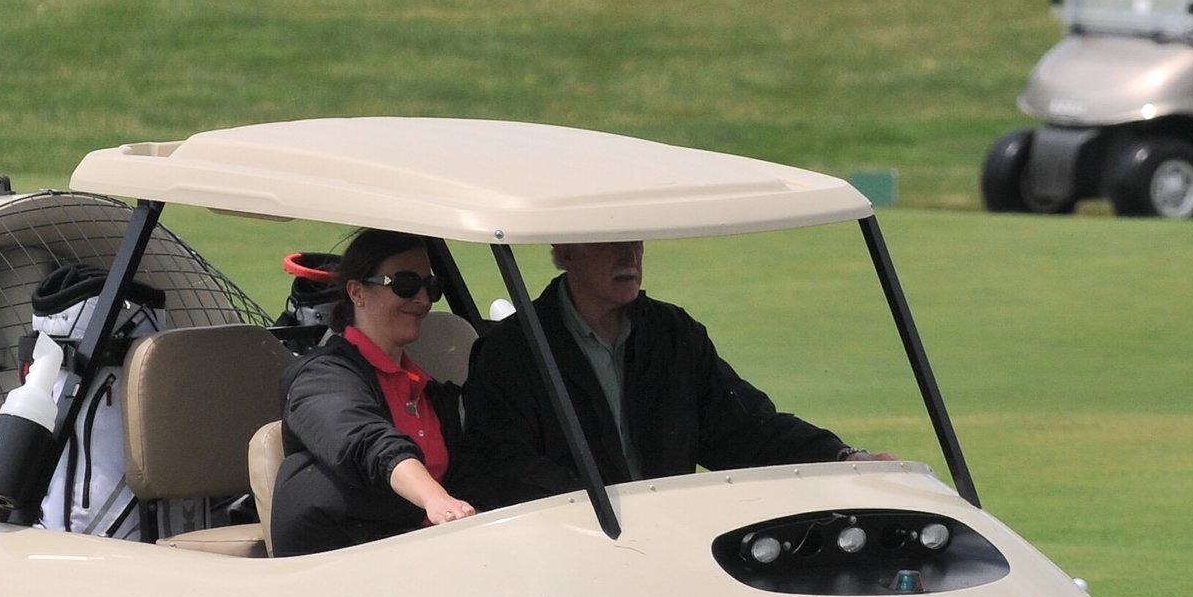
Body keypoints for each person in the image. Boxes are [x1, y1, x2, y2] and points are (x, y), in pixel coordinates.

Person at [461, 240, 893, 505]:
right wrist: (602, 507)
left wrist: (840, 458)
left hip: (669, 539)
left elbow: (743, 428)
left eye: (636, 242)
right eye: (611, 242)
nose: (629, 256)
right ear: (566, 251)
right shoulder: (513, 350)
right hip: (564, 547)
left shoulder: (672, 334)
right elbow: (504, 464)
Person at [271, 229, 486, 555]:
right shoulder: (319, 378)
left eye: (430, 287)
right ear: (357, 292)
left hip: (431, 557)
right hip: (350, 564)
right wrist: (435, 499)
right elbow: (364, 440)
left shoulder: (431, 393)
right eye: (404, 284)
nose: (423, 300)